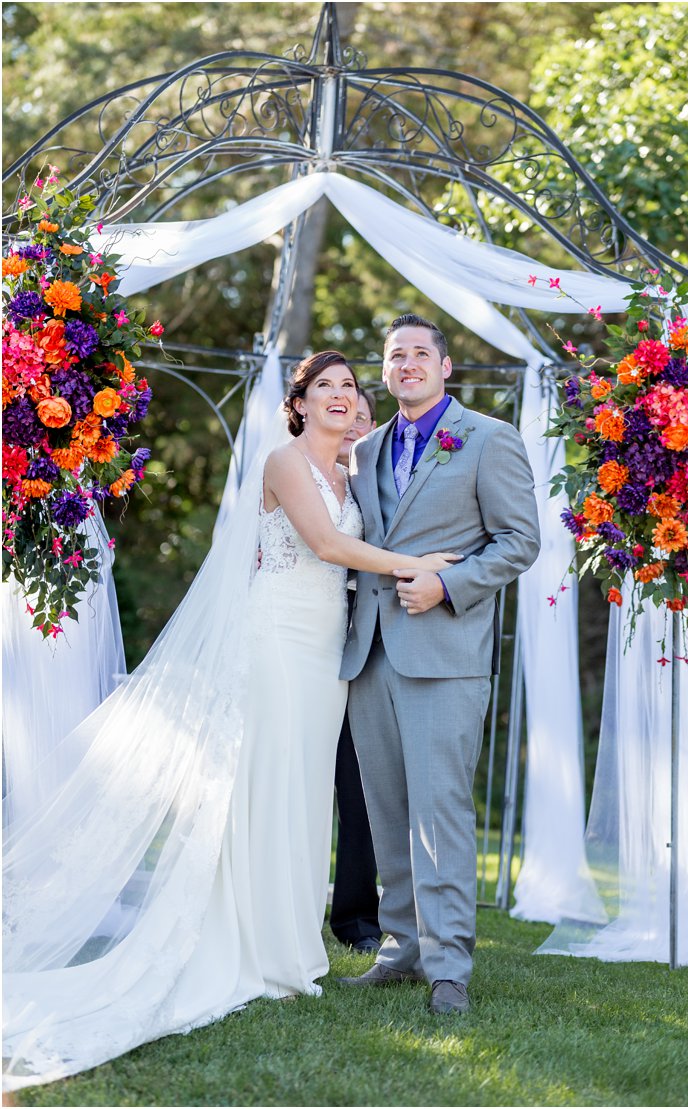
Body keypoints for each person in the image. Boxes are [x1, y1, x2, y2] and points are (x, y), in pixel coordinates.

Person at [1, 351, 460, 1091]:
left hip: (324, 655)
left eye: (349, 386)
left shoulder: (351, 475)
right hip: (277, 638)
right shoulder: (284, 463)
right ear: (300, 403)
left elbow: (357, 540)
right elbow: (327, 545)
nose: (341, 396)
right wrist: (415, 564)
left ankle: (292, 945)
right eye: (326, 388)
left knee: (305, 791)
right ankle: (252, 945)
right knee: (266, 783)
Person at [334, 314, 541, 1015]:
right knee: (386, 809)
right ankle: (400, 945)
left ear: (445, 366)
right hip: (369, 654)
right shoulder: (362, 450)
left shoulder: (489, 439)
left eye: (421, 352)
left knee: (441, 810)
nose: (408, 363)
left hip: (445, 653)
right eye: (396, 355)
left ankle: (449, 962)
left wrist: (447, 585)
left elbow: (518, 540)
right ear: (387, 371)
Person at [327, 392, 382, 955]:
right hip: (303, 634)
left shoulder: (375, 488)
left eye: (365, 420)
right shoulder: (297, 470)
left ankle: (357, 918)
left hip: (363, 644)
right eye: (349, 417)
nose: (355, 427)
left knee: (359, 783)